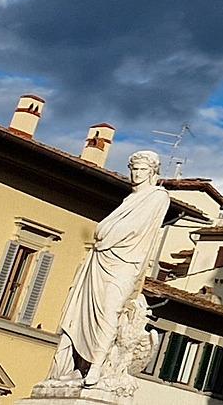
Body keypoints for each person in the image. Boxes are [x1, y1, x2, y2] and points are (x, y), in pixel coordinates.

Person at [48, 151, 171, 386]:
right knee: (81, 313)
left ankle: (97, 366)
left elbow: (133, 227)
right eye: (134, 168)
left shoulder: (157, 197)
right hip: (100, 261)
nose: (137, 173)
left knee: (109, 312)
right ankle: (78, 366)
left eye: (143, 169)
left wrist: (105, 233)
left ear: (153, 172)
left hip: (125, 263)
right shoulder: (128, 201)